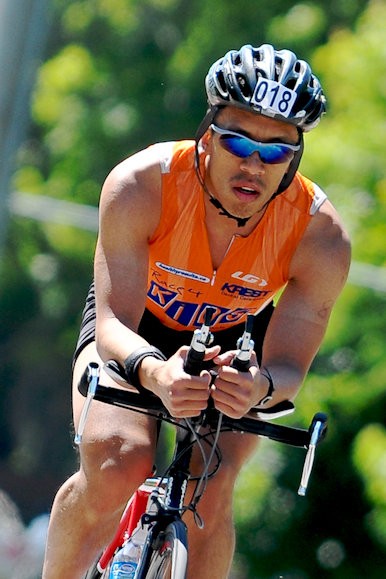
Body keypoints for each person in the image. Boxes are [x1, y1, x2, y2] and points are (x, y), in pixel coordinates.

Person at [42, 43, 351, 578]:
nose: (253, 165)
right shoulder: (143, 184)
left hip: (237, 344)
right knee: (119, 461)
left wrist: (258, 387)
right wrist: (155, 372)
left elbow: (288, 368)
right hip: (136, 329)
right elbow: (114, 321)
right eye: (237, 141)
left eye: (276, 151)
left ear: (296, 157)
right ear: (207, 132)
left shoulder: (320, 237)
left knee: (216, 481)